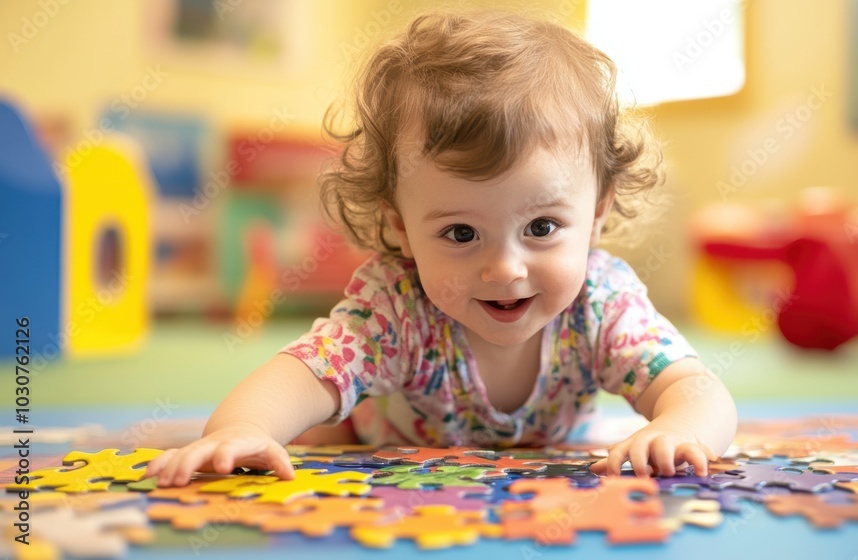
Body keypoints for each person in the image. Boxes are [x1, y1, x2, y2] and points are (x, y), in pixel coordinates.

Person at [146, 10, 737, 487]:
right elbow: (301, 375)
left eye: (542, 228)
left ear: (597, 213)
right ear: (402, 228)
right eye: (460, 233)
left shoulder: (602, 301)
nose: (505, 269)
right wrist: (240, 428)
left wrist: (681, 430)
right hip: (378, 447)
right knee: (312, 439)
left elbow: (698, 391)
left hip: (546, 486)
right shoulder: (398, 304)